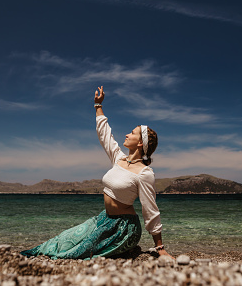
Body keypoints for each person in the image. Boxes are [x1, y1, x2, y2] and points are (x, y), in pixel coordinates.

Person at [20, 86, 172, 259]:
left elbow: (150, 209)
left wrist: (160, 248)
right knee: (62, 241)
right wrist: (98, 106)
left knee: (73, 254)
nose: (127, 134)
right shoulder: (119, 158)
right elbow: (105, 135)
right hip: (103, 219)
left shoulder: (144, 173)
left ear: (140, 143)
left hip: (123, 228)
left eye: (132, 133)